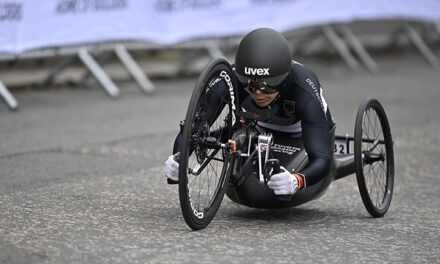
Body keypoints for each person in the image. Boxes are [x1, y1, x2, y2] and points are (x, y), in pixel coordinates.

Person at [164, 28, 334, 199]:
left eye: (269, 84)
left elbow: (322, 159)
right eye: (249, 83)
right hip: (260, 126)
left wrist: (298, 180)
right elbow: (192, 127)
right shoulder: (231, 77)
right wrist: (179, 158)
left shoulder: (304, 89)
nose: (258, 92)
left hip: (303, 132)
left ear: (284, 78)